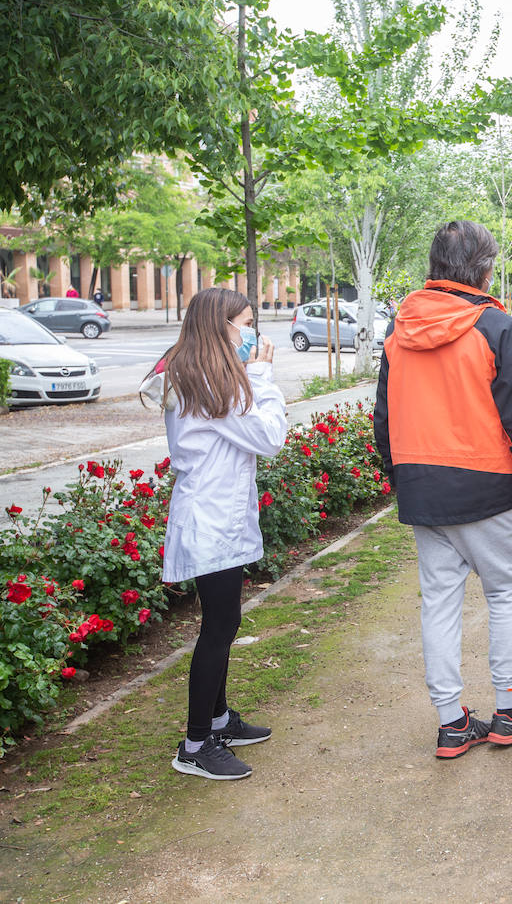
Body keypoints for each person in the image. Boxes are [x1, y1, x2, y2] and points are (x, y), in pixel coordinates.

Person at [374, 220, 512, 760]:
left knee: (439, 603)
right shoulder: (497, 327)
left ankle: (453, 722)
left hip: (423, 488)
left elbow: (382, 418)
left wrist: (401, 477)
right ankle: (508, 710)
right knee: (503, 593)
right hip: (486, 486)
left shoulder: (399, 329)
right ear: (482, 267)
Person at [149, 287, 288, 780]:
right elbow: (270, 436)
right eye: (247, 322)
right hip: (210, 521)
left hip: (217, 517)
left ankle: (219, 719)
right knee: (220, 627)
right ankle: (194, 745)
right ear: (220, 325)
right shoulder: (212, 383)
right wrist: (262, 376)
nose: (253, 332)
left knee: (223, 621)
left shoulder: (203, 374)